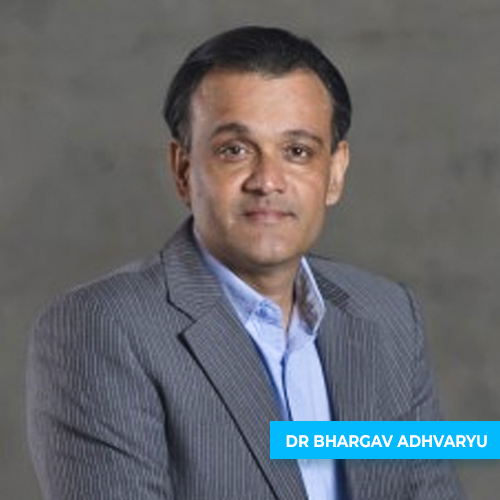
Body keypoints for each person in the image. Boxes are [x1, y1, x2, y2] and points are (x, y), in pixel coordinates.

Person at [27, 26, 465, 500]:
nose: (268, 180)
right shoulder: (103, 329)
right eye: (234, 150)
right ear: (183, 169)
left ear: (335, 172)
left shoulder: (389, 315)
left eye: (297, 152)